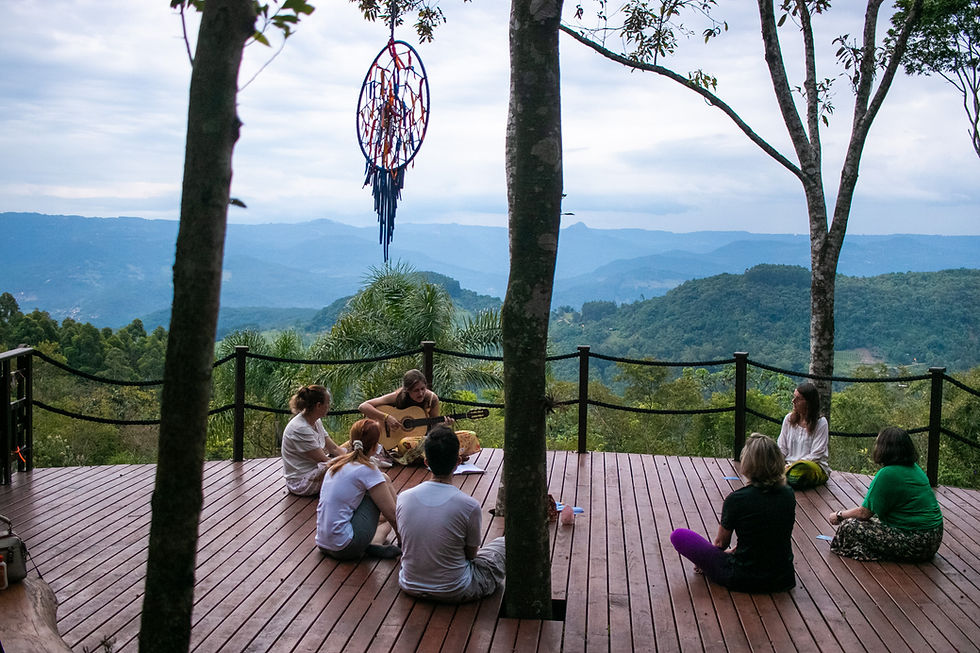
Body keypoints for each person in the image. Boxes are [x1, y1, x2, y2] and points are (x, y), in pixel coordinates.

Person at [670, 433, 796, 593]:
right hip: (782, 578)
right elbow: (769, 533)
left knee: (679, 535)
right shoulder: (788, 494)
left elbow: (721, 544)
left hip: (744, 577)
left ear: (748, 463)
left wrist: (708, 560)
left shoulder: (737, 499)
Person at [396, 425, 505, 602]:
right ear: (458, 461)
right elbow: (471, 555)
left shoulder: (403, 498)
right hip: (455, 589)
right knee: (504, 545)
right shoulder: (469, 506)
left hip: (410, 584)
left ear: (426, 462)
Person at [827, 427, 943, 562]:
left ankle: (868, 552)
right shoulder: (915, 468)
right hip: (934, 537)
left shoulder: (887, 474)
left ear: (886, 448)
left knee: (849, 526)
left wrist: (839, 515)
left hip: (917, 541)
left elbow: (864, 513)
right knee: (874, 520)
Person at [315, 418, 401, 560]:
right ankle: (400, 536)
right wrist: (405, 543)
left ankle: (375, 542)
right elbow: (391, 514)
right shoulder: (367, 470)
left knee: (383, 479)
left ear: (351, 442)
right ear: (375, 447)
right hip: (345, 547)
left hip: (323, 543)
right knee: (386, 507)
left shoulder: (336, 465)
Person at [281, 385, 345, 496]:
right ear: (318, 405)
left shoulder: (316, 421)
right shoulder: (300, 428)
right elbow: (323, 460)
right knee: (340, 468)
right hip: (302, 482)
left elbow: (333, 448)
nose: (329, 406)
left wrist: (353, 458)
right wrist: (352, 462)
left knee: (350, 446)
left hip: (316, 469)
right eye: (327, 403)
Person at [777, 381, 831, 490]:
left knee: (803, 470)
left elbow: (816, 454)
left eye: (798, 399)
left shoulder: (821, 423)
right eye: (794, 397)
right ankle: (785, 477)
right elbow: (782, 447)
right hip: (788, 467)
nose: (793, 401)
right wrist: (778, 463)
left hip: (811, 467)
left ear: (808, 403)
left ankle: (783, 478)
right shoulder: (788, 419)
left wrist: (793, 465)